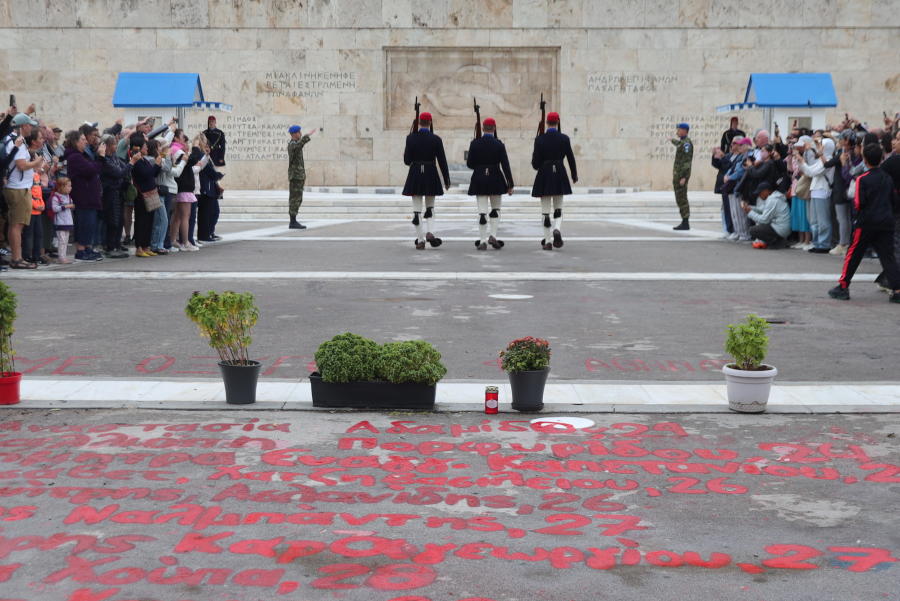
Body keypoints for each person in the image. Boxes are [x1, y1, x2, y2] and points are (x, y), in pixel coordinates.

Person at [828, 144, 900, 303]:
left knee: (853, 254)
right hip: (886, 221)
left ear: (865, 160)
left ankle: (843, 286)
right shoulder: (887, 178)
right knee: (887, 256)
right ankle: (897, 289)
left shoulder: (862, 178)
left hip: (866, 222)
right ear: (881, 159)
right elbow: (894, 200)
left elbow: (859, 203)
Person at [403, 112, 450, 250]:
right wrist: (446, 180)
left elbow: (407, 161)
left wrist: (405, 155)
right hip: (430, 171)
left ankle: (420, 240)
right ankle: (430, 231)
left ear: (418, 123)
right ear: (430, 123)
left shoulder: (410, 138)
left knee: (416, 210)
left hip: (416, 171)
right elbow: (442, 160)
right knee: (430, 207)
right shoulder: (436, 139)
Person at [466, 117, 514, 250]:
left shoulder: (475, 144)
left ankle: (482, 241)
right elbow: (505, 165)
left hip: (480, 176)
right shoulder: (499, 144)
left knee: (482, 212)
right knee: (495, 209)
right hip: (495, 177)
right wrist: (510, 183)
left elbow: (470, 164)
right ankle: (492, 235)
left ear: (482, 128)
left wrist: (479, 164)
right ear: (494, 129)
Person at [531, 111, 577, 250]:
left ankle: (547, 241)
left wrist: (535, 161)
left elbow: (536, 164)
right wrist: (574, 175)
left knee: (545, 211)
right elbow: (570, 158)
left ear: (546, 123)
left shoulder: (539, 139)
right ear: (558, 123)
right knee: (558, 207)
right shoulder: (564, 138)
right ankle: (557, 228)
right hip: (559, 171)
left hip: (544, 172)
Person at [4, 114, 45, 269]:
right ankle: (17, 258)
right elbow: (21, 165)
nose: (32, 127)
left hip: (18, 187)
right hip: (18, 189)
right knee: (17, 225)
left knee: (16, 224)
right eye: (30, 125)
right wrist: (36, 161)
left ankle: (17, 258)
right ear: (23, 127)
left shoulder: (15, 140)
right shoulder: (18, 143)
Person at [98, 133, 135, 259]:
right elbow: (120, 173)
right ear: (106, 146)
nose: (116, 146)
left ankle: (117, 245)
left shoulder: (114, 156)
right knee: (113, 221)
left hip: (119, 192)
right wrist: (133, 162)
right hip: (111, 192)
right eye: (114, 144)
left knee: (120, 220)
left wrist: (129, 165)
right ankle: (110, 247)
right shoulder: (105, 160)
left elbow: (124, 169)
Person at [797, 137, 835, 253]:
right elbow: (809, 169)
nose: (819, 148)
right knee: (814, 221)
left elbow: (811, 172)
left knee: (823, 221)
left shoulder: (828, 160)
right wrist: (801, 161)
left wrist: (802, 162)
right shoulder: (821, 160)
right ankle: (817, 243)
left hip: (823, 191)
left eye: (821, 145)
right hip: (815, 191)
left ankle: (824, 244)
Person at [130, 136, 162, 258]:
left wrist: (158, 165)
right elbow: (145, 174)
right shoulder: (137, 161)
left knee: (149, 221)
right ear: (138, 148)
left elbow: (152, 174)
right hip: (142, 195)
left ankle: (145, 246)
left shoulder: (145, 160)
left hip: (150, 194)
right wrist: (156, 165)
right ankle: (139, 247)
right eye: (145, 146)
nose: (147, 148)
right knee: (141, 221)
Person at [170, 139, 203, 252]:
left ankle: (173, 240)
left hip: (182, 188)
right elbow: (194, 159)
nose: (187, 145)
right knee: (185, 215)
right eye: (185, 142)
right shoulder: (180, 155)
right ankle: (185, 242)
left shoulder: (178, 154)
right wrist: (197, 147)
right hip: (184, 188)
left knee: (179, 215)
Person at [744, 182, 791, 249]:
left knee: (753, 230)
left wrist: (750, 212)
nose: (759, 195)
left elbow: (764, 220)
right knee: (759, 225)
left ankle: (776, 241)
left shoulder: (773, 200)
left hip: (781, 229)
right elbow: (762, 209)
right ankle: (776, 240)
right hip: (781, 227)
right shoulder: (774, 197)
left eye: (760, 193)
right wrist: (749, 208)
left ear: (766, 191)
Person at [287, 124, 316, 230]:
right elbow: (299, 145)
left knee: (298, 199)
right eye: (299, 132)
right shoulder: (292, 145)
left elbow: (300, 164)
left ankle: (294, 221)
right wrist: (308, 135)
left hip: (298, 177)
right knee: (294, 199)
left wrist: (303, 177)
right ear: (294, 134)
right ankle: (293, 222)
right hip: (295, 177)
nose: (301, 134)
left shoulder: (295, 145)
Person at [724, 137, 753, 242]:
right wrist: (727, 175)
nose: (739, 147)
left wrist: (730, 177)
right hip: (735, 187)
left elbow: (741, 172)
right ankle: (738, 232)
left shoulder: (749, 157)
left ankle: (744, 234)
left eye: (741, 145)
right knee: (734, 212)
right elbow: (732, 168)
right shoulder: (741, 156)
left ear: (746, 146)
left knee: (741, 213)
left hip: (741, 187)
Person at [669, 122, 693, 230]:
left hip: (681, 176)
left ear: (685, 131)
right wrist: (671, 140)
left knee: (682, 199)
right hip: (677, 176)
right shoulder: (682, 142)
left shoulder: (687, 143)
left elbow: (687, 162)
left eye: (679, 130)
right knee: (679, 198)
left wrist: (684, 177)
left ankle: (685, 222)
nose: (677, 132)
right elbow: (679, 144)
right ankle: (684, 221)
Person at [712, 141, 737, 238]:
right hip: (723, 186)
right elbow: (718, 165)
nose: (731, 145)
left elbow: (729, 166)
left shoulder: (738, 157)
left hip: (731, 186)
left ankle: (733, 230)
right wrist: (715, 156)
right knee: (725, 209)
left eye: (734, 143)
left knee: (732, 209)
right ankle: (727, 229)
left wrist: (723, 157)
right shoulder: (729, 155)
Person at [50, 177, 74, 264]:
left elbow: (72, 204)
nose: (71, 188)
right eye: (69, 186)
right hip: (60, 222)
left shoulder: (68, 197)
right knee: (62, 240)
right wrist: (65, 206)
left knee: (66, 241)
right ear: (62, 187)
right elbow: (54, 208)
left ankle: (64, 256)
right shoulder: (56, 197)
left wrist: (72, 206)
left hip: (68, 221)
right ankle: (61, 256)